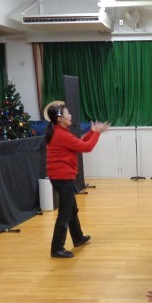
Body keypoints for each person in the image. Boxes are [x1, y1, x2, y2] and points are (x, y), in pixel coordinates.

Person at [45, 103, 109, 258]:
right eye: (67, 113)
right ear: (60, 119)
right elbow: (86, 147)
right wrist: (97, 133)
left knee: (71, 209)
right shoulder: (61, 134)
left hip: (61, 176)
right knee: (65, 213)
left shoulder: (61, 132)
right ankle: (56, 248)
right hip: (62, 177)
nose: (70, 115)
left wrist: (92, 132)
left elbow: (79, 144)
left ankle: (78, 237)